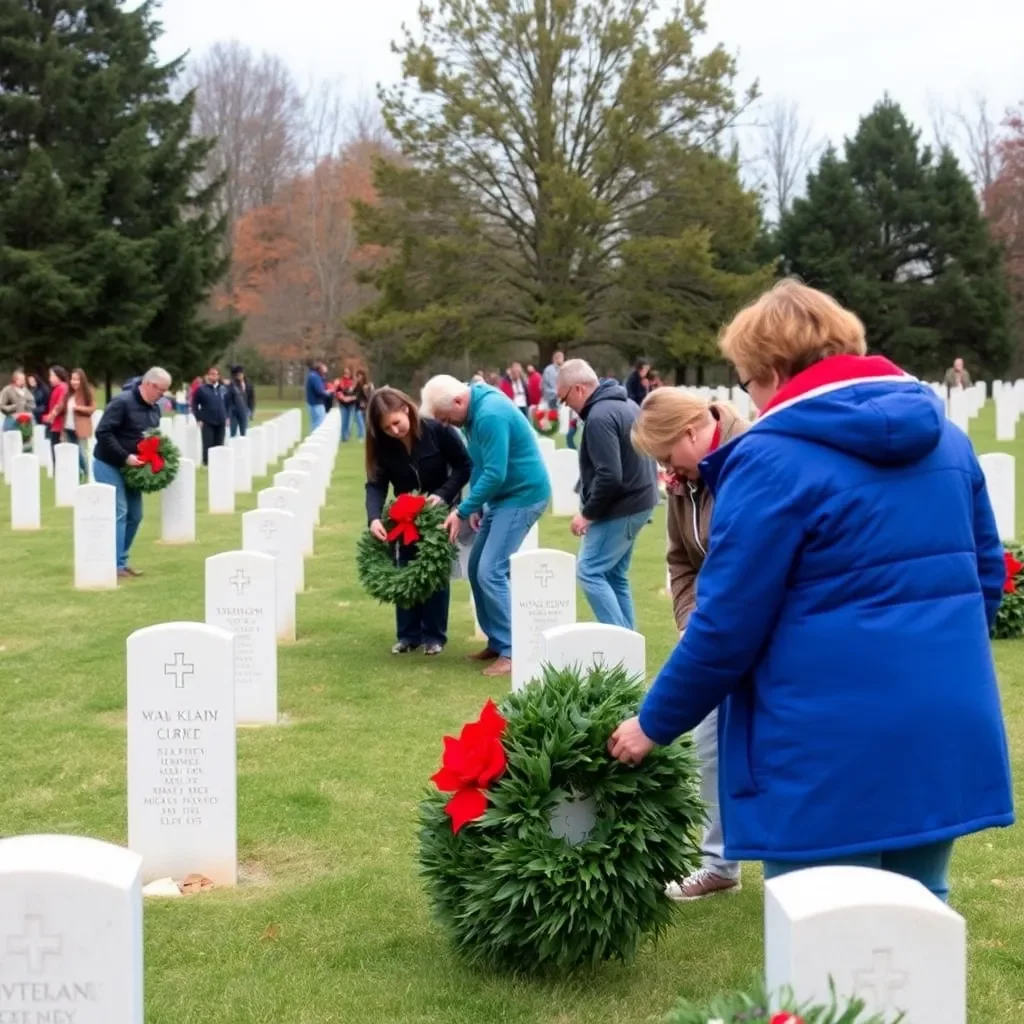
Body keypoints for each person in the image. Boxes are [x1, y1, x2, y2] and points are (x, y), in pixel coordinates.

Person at [608, 280, 1014, 903]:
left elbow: (726, 626)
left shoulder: (769, 460)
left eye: (746, 380)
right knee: (915, 929)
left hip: (820, 745)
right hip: (941, 722)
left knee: (822, 945)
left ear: (771, 371)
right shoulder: (950, 441)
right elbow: (987, 578)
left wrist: (653, 724)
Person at [630, 387, 749, 901]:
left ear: (690, 433)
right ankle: (719, 863)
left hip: (758, 627)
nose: (666, 470)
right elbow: (681, 559)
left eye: (665, 455)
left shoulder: (749, 460)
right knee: (706, 743)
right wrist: (687, 617)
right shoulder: (685, 481)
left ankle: (815, 865)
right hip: (712, 631)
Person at [421, 374, 551, 677]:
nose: (444, 424)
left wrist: (463, 510)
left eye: (444, 417)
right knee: (478, 566)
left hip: (522, 496)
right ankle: (497, 640)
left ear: (457, 401)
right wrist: (477, 504)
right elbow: (479, 464)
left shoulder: (489, 413)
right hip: (503, 497)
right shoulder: (472, 412)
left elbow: (495, 472)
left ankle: (513, 651)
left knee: (491, 570)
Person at [365, 387, 473, 656]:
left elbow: (464, 466)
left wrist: (442, 495)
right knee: (407, 569)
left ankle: (435, 636)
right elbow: (376, 484)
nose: (394, 431)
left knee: (435, 572)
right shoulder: (383, 445)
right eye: (387, 428)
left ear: (405, 409)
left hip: (439, 512)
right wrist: (374, 517)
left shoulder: (438, 431)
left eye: (396, 423)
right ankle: (408, 636)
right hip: (405, 517)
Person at [556, 360, 658, 630]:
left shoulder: (600, 416)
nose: (567, 407)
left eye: (565, 399)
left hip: (622, 506)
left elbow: (610, 475)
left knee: (588, 571)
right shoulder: (627, 405)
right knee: (614, 575)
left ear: (578, 389)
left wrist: (587, 514)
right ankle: (630, 646)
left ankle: (621, 647)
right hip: (641, 500)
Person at [93, 367, 169, 579]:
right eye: (161, 391)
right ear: (149, 384)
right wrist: (125, 456)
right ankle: (114, 565)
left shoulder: (155, 409)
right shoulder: (122, 402)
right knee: (120, 510)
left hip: (135, 467)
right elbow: (103, 433)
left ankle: (122, 560)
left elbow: (151, 437)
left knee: (136, 515)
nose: (162, 396)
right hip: (108, 463)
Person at [55, 368, 97, 478]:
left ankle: (88, 473)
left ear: (82, 380)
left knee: (81, 452)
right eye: (73, 379)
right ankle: (78, 474)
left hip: (81, 428)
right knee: (72, 453)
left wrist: (79, 408)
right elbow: (61, 407)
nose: (74, 382)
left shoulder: (88, 392)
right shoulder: (68, 393)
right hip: (68, 428)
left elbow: (92, 408)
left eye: (77, 379)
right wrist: (55, 412)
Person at [192, 366, 228, 466]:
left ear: (218, 376)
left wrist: (227, 416)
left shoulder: (223, 389)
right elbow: (194, 404)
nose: (213, 376)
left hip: (221, 420)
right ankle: (206, 463)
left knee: (219, 444)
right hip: (207, 421)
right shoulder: (201, 389)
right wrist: (198, 418)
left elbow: (228, 403)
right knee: (208, 444)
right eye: (211, 374)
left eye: (215, 374)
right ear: (208, 376)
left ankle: (219, 464)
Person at [228, 365, 255, 437]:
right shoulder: (232, 385)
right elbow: (229, 398)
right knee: (233, 432)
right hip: (234, 412)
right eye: (237, 375)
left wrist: (251, 411)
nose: (239, 376)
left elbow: (251, 399)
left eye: (240, 374)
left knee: (244, 432)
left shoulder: (248, 384)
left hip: (245, 410)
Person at [337, 367, 361, 441]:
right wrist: (343, 398)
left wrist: (350, 398)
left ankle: (347, 436)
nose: (346, 374)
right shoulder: (340, 381)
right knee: (344, 421)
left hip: (351, 404)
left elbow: (358, 394)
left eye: (347, 373)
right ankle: (344, 438)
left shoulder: (354, 382)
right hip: (343, 404)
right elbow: (338, 392)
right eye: (345, 373)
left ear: (350, 373)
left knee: (349, 422)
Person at [305, 362, 329, 429]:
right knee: (319, 425)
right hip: (316, 404)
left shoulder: (314, 376)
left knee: (315, 424)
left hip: (313, 403)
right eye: (324, 370)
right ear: (319, 369)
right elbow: (319, 391)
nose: (325, 372)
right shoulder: (315, 377)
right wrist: (328, 393)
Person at [355, 369, 373, 434]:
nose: (357, 378)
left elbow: (370, 396)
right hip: (358, 407)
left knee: (365, 423)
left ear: (363, 376)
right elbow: (354, 394)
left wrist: (366, 389)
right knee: (360, 423)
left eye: (359, 376)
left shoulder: (368, 385)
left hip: (365, 407)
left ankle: (363, 437)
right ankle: (362, 437)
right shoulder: (357, 385)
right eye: (357, 376)